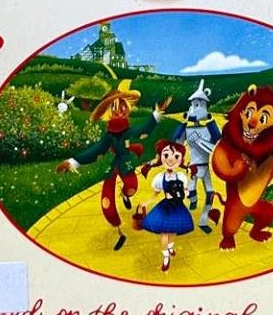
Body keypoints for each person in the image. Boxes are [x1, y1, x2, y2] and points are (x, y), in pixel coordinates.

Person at [56, 79, 169, 251]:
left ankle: (125, 195)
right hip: (114, 165)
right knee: (107, 200)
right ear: (109, 111)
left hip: (126, 163)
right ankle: (119, 232)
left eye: (122, 106)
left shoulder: (128, 130)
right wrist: (73, 162)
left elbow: (142, 129)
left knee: (132, 188)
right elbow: (95, 150)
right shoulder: (108, 135)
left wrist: (156, 114)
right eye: (114, 107)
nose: (119, 110)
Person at [134, 139, 194, 272]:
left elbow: (185, 190)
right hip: (165, 207)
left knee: (173, 230)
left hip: (178, 206)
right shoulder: (160, 178)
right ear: (160, 157)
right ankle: (166, 256)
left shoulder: (181, 176)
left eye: (176, 156)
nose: (171, 160)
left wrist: (186, 192)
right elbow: (156, 193)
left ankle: (170, 246)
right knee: (164, 232)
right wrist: (147, 202)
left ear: (181, 160)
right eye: (166, 155)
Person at [172, 79, 221, 232]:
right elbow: (176, 143)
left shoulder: (209, 128)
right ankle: (190, 207)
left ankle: (203, 220)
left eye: (198, 104)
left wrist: (207, 130)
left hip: (205, 166)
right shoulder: (186, 129)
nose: (194, 108)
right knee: (190, 192)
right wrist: (182, 125)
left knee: (210, 193)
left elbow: (219, 146)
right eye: (193, 104)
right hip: (193, 167)